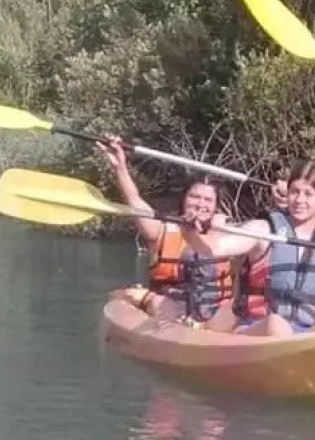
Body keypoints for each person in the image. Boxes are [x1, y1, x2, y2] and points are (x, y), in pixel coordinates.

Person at [187, 158, 315, 337]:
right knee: (277, 324)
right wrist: (189, 231)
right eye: (294, 192)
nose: (299, 200)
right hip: (258, 328)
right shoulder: (264, 229)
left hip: (306, 333)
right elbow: (214, 248)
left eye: (308, 194)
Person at [99, 137, 235, 325]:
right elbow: (134, 200)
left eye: (207, 200)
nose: (200, 204)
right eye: (194, 196)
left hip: (215, 312)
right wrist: (120, 167)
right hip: (170, 307)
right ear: (184, 199)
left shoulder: (226, 233)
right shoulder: (162, 230)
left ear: (215, 207)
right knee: (161, 304)